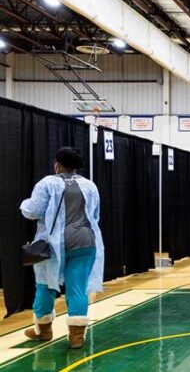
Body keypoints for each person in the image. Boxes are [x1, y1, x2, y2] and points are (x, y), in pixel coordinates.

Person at [19, 147, 105, 349]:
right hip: (85, 241)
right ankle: (76, 337)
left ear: (57, 163)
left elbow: (33, 211)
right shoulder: (90, 185)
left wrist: (23, 204)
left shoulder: (47, 183)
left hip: (54, 243)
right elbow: (95, 214)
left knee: (45, 284)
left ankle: (43, 330)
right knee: (77, 287)